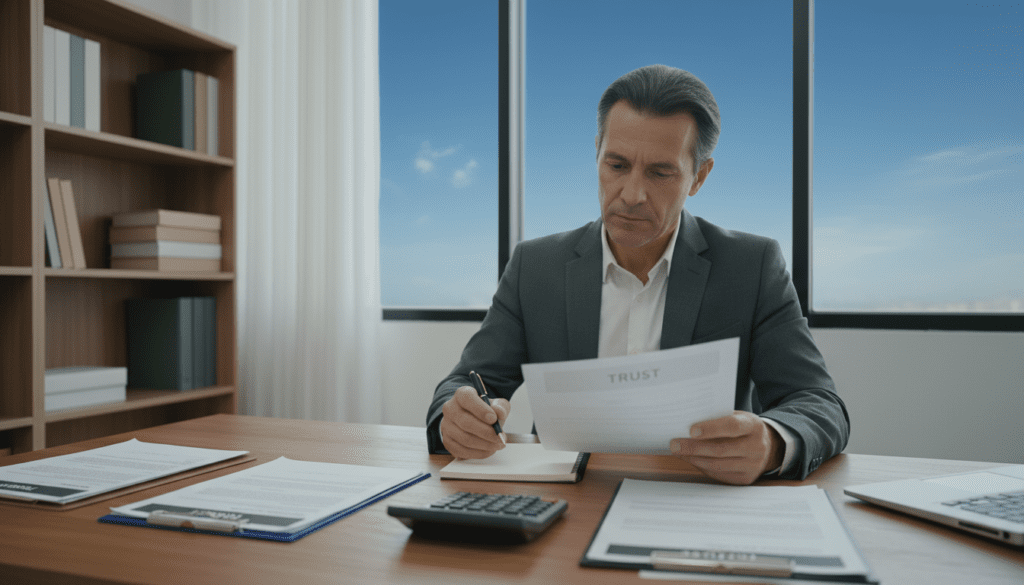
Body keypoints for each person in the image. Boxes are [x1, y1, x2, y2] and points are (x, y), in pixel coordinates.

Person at [426, 64, 849, 485]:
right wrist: (459, 417)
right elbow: (467, 381)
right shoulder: (535, 266)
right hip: (565, 500)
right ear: (597, 154)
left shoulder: (751, 266)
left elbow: (818, 403)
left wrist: (773, 442)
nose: (631, 195)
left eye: (660, 172)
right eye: (617, 165)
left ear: (699, 176)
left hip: (694, 496)